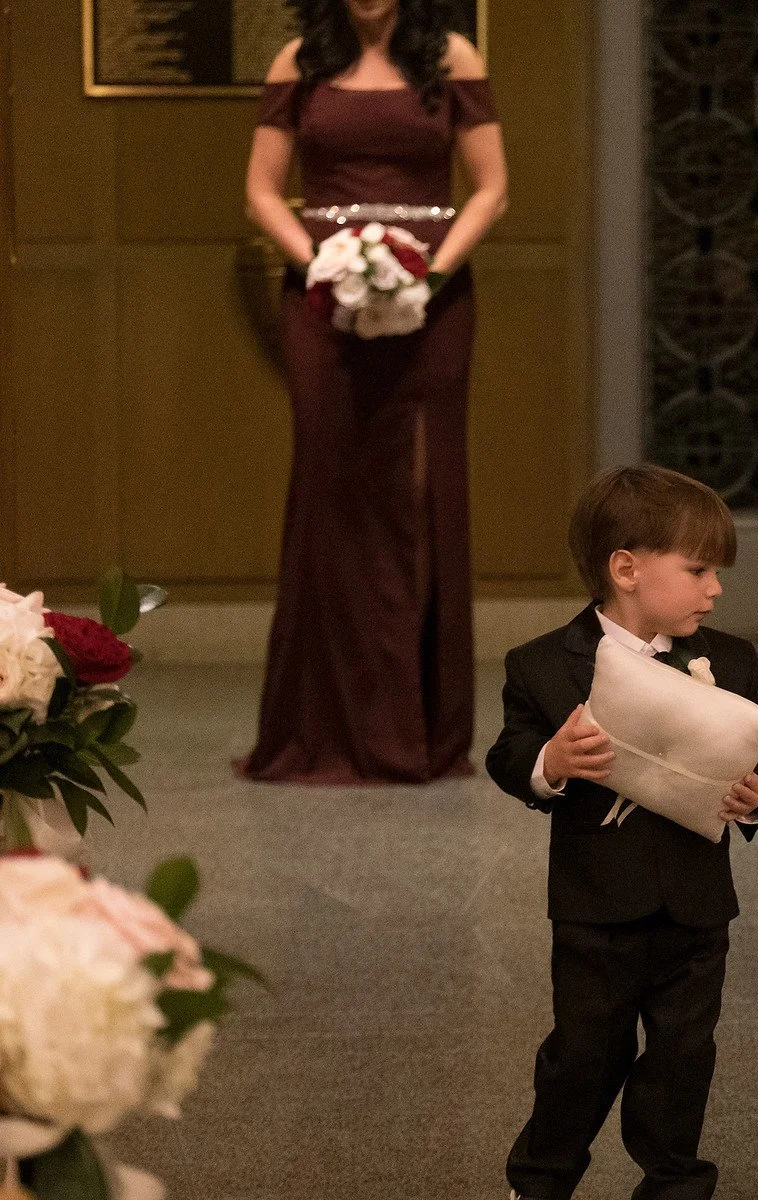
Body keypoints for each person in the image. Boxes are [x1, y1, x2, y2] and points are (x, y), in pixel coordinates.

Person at [485, 465, 758, 1200]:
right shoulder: (543, 664)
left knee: (686, 1052)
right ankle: (542, 1180)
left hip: (695, 900)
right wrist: (551, 758)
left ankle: (672, 1199)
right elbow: (509, 758)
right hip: (595, 899)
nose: (714, 590)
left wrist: (751, 795)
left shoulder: (732, 660)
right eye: (698, 569)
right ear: (626, 567)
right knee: (587, 1049)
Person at [239, 0, 508, 781]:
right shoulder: (298, 60)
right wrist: (320, 266)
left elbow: (491, 187)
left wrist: (435, 274)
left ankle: (418, 726)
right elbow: (260, 190)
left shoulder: (453, 56)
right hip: (322, 300)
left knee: (422, 495)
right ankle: (320, 726)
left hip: (433, 297)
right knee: (334, 491)